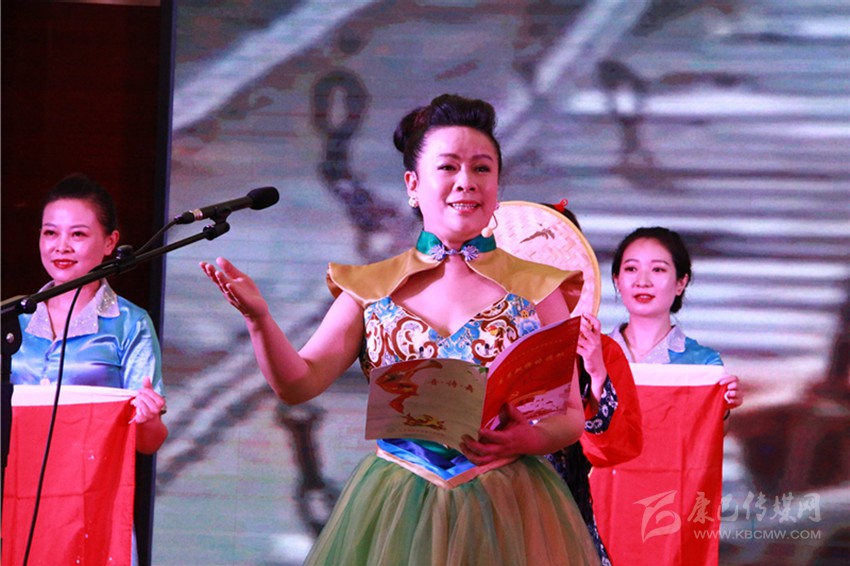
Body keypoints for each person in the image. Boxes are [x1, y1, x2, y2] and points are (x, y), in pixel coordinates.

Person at [201, 94, 600, 565]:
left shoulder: (538, 289)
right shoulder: (371, 287)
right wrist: (259, 320)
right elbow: (298, 383)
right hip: (399, 503)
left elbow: (569, 415)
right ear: (413, 184)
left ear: (497, 183)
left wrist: (527, 440)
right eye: (448, 167)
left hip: (506, 505)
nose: (466, 182)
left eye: (482, 168)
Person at [10, 172, 168, 454]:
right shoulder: (13, 317)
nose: (61, 247)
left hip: (91, 476)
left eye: (78, 234)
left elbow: (148, 444)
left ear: (110, 242)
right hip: (14, 472)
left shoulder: (130, 323)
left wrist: (148, 419)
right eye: (51, 233)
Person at [541, 201, 643, 566]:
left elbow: (616, 449)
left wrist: (596, 373)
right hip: (485, 506)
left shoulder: (600, 350)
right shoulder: (479, 339)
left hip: (562, 511)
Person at [607, 226, 742, 412]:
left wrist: (724, 407)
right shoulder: (589, 355)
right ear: (617, 280)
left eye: (658, 269)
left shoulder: (704, 364)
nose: (642, 282)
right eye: (631, 268)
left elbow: (709, 426)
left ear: (681, 283)